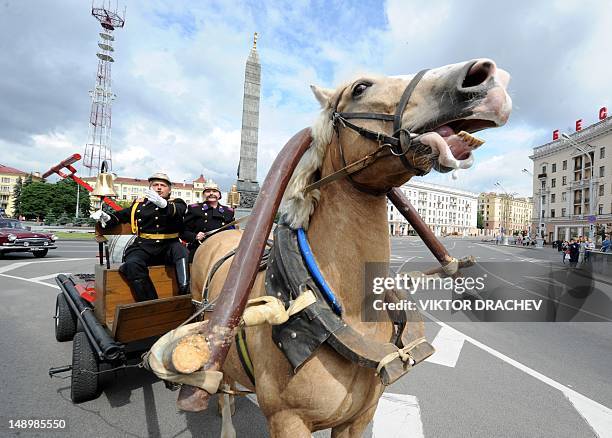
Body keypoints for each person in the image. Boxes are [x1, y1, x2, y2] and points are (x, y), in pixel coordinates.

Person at [91, 172, 189, 301]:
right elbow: (119, 217)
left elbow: (179, 211)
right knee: (132, 264)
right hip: (144, 246)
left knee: (181, 252)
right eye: (155, 185)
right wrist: (106, 217)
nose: (159, 188)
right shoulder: (139, 205)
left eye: (163, 185)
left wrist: (164, 205)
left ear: (169, 190)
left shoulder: (176, 203)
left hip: (169, 246)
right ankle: (149, 302)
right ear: (150, 188)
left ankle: (185, 293)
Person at [181, 180, 235, 262]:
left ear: (219, 195)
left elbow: (231, 231)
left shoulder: (228, 211)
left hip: (222, 249)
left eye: (214, 191)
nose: (211, 193)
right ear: (203, 195)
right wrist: (195, 236)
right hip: (200, 248)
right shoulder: (195, 209)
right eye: (208, 191)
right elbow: (183, 232)